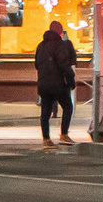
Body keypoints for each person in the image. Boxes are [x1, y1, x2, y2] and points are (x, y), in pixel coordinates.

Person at [33, 19, 79, 148]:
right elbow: (64, 65)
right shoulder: (61, 45)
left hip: (43, 84)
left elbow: (37, 64)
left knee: (45, 112)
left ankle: (46, 139)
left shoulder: (40, 46)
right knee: (68, 107)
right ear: (59, 33)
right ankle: (64, 135)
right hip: (59, 85)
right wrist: (71, 80)